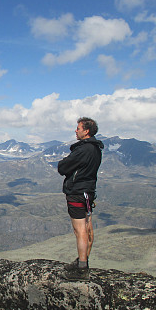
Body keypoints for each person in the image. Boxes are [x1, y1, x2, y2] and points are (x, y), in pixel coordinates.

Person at [58, 117, 104, 280]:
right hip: (88, 193)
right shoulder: (96, 149)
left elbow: (63, 167)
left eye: (78, 128)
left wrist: (63, 163)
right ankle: (81, 262)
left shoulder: (83, 149)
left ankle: (82, 268)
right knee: (87, 228)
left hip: (77, 192)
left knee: (80, 230)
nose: (75, 131)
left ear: (86, 131)